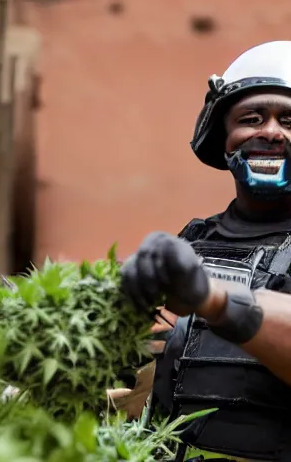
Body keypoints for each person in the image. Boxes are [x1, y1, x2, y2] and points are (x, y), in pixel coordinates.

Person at [121, 41, 291, 462]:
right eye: (251, 119)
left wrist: (215, 298)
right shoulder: (193, 240)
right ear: (223, 137)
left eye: (289, 120)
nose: (270, 131)